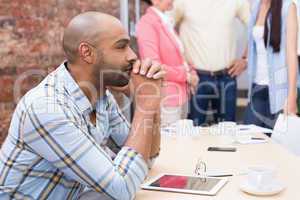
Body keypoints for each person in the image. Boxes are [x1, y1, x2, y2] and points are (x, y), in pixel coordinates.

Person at [0, 12, 166, 200]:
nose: (133, 56)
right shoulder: (48, 108)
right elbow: (121, 189)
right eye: (121, 47)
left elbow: (146, 159)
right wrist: (144, 107)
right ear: (87, 53)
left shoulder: (101, 96)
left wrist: (152, 104)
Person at [170, 0, 250, 126]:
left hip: (227, 77)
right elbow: (165, 29)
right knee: (193, 132)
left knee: (227, 135)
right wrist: (182, 64)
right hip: (196, 79)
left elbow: (258, 27)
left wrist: (246, 59)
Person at [136, 0, 198, 127]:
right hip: (167, 99)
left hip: (180, 96)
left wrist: (192, 72)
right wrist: (186, 76)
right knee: (170, 144)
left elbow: (180, 57)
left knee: (181, 142)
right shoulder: (147, 23)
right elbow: (154, 66)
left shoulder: (165, 22)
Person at [244, 0, 298, 130]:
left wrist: (292, 96)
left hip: (280, 91)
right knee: (250, 139)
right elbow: (253, 45)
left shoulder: (288, 7)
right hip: (257, 87)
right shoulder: (256, 6)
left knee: (277, 145)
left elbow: (291, 54)